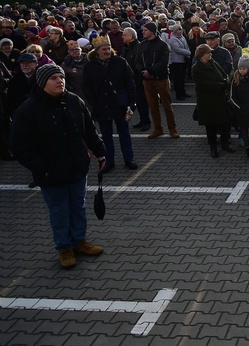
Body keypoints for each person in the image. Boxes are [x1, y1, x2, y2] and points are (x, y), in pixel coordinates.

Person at [10, 63, 107, 269]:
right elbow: (20, 145)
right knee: (59, 210)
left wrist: (100, 152)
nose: (60, 81)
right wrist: (40, 166)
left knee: (77, 206)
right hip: (51, 172)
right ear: (42, 82)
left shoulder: (74, 101)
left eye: (61, 78)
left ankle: (79, 241)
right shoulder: (28, 109)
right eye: (54, 78)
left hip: (76, 168)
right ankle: (64, 247)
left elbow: (89, 130)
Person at [82, 34, 138, 173]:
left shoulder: (120, 62)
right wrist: (94, 103)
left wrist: (131, 102)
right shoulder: (90, 66)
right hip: (101, 106)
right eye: (103, 49)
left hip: (119, 104)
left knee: (124, 133)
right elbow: (86, 87)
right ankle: (109, 161)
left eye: (108, 48)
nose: (107, 52)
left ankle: (128, 159)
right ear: (96, 51)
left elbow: (130, 83)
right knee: (106, 136)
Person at [135, 22, 179, 139]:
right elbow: (137, 61)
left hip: (161, 79)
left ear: (152, 31)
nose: (143, 32)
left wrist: (150, 71)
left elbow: (163, 62)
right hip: (147, 80)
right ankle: (157, 128)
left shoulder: (162, 45)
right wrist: (143, 71)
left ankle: (172, 128)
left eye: (145, 30)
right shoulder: (141, 45)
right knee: (153, 106)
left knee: (166, 105)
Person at [193, 43, 234, 158]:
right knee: (211, 126)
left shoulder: (213, 63)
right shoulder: (196, 68)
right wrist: (219, 86)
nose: (210, 54)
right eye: (208, 52)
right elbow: (202, 84)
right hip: (207, 101)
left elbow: (224, 74)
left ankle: (225, 144)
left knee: (224, 124)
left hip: (221, 99)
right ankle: (213, 147)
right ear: (201, 55)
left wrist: (226, 82)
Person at [168, 24, 191, 100]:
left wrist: (187, 52)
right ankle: (178, 93)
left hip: (183, 60)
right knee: (177, 78)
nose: (180, 31)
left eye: (181, 29)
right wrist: (188, 53)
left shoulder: (182, 37)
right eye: (179, 29)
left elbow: (186, 45)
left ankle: (183, 91)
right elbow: (177, 49)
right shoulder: (173, 39)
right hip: (176, 61)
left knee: (182, 77)